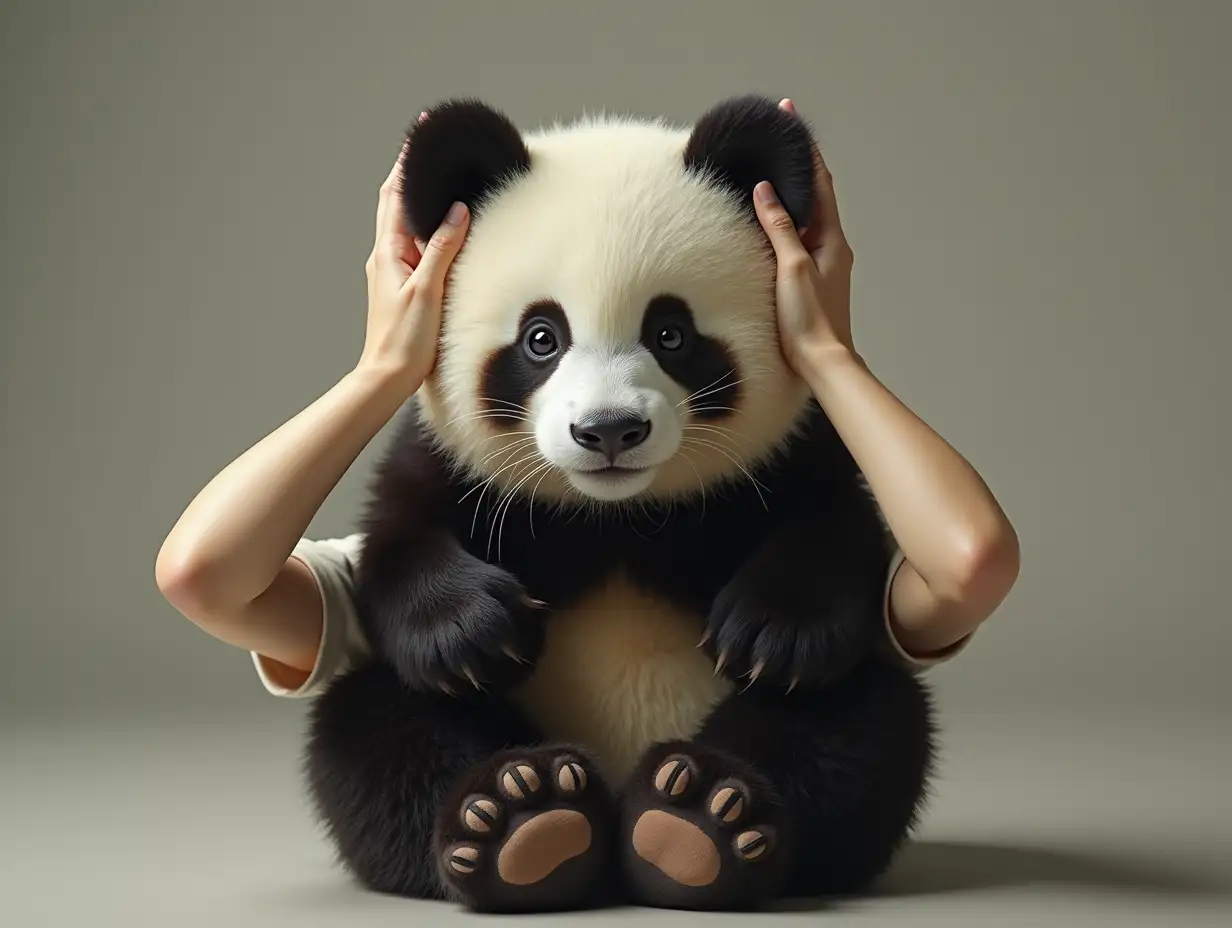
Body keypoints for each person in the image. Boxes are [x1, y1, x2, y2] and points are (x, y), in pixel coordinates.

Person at [155, 99, 1020, 702]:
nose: (608, 406)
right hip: (489, 805)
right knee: (375, 717)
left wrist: (829, 355)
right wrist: (382, 370)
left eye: (671, 337)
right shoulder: (421, 544)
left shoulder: (809, 524)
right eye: (541, 342)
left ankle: (702, 830)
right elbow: (204, 576)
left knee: (864, 717)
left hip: (758, 801)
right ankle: (523, 830)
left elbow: (971, 562)